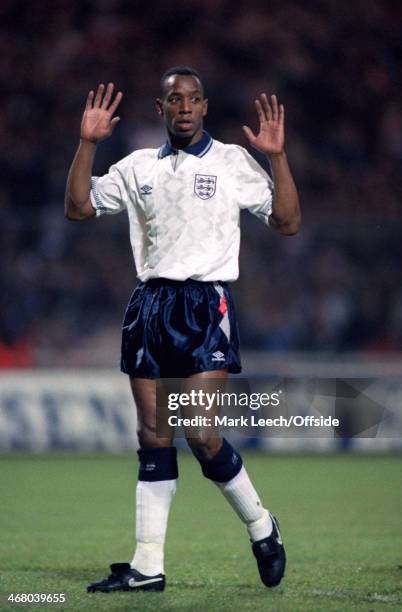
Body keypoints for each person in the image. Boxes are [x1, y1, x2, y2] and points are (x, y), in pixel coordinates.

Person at [64, 66, 300, 593]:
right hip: (150, 304)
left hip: (204, 304)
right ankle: (148, 565)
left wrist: (277, 157)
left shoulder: (232, 162)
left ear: (205, 107)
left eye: (193, 99)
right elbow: (79, 207)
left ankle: (262, 526)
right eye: (175, 99)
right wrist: (87, 144)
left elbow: (286, 222)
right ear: (162, 109)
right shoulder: (137, 166)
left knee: (201, 434)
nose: (185, 107)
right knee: (153, 435)